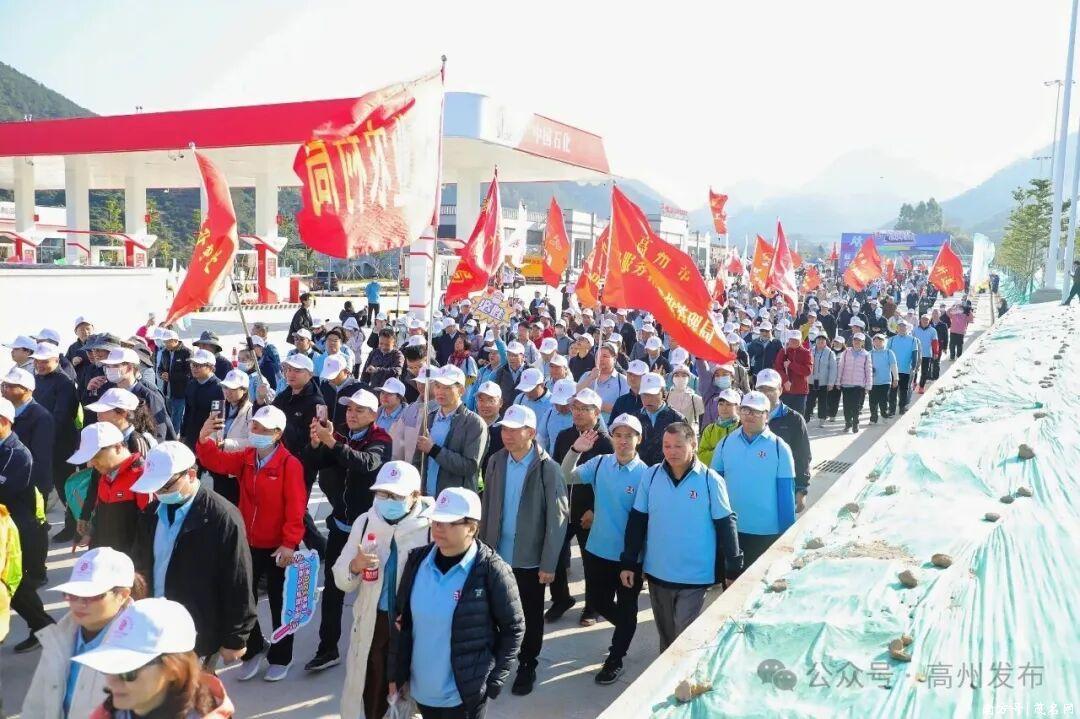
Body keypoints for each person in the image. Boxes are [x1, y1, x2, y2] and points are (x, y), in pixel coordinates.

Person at [389, 487, 524, 719]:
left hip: (464, 698)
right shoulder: (416, 561)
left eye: (449, 522)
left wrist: (495, 680)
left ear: (471, 528)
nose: (439, 527)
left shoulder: (491, 570)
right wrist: (395, 675)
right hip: (422, 693)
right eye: (436, 520)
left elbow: (514, 627)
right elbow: (401, 622)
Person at [196, 405, 306, 682]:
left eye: (263, 429)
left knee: (281, 604)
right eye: (254, 426)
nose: (256, 431)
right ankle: (254, 649)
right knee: (244, 601)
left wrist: (290, 543)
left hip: (279, 547)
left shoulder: (290, 464)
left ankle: (281, 656)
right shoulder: (246, 458)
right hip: (249, 542)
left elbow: (296, 508)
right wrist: (204, 439)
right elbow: (215, 461)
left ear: (277, 434)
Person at [130, 441, 256, 664]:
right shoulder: (150, 514)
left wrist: (236, 638)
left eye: (166, 486)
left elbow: (238, 580)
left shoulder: (222, 517)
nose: (159, 493)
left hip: (197, 633)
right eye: (155, 488)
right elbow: (139, 563)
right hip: (153, 626)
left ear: (190, 474)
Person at [621, 423, 742, 651]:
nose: (671, 451)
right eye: (667, 446)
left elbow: (726, 525)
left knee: (683, 637)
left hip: (694, 575)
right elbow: (637, 520)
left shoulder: (710, 480)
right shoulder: (651, 475)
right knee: (667, 639)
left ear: (693, 444)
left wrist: (733, 567)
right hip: (658, 572)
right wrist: (629, 561)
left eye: (678, 446)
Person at [478, 405, 568, 696]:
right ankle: (498, 662)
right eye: (505, 429)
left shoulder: (547, 468)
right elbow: (487, 505)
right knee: (495, 612)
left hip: (529, 560)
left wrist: (549, 563)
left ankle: (527, 663)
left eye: (514, 430)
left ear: (531, 432)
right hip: (496, 555)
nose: (507, 435)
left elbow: (558, 519)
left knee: (529, 615)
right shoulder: (496, 461)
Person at [333, 461, 434, 719]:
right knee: (372, 689)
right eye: (382, 493)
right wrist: (354, 566)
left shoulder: (432, 528)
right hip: (374, 622)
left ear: (415, 496)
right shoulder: (366, 522)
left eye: (395, 496)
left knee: (409, 692)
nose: (387, 501)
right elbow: (341, 579)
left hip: (412, 625)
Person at [305, 388, 392, 673]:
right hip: (340, 525)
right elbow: (317, 462)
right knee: (333, 588)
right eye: (349, 409)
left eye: (359, 410)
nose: (351, 414)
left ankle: (375, 651)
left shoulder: (381, 439)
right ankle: (327, 648)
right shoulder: (340, 433)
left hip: (369, 530)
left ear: (373, 415)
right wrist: (317, 444)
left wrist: (332, 442)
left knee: (371, 591)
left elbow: (366, 464)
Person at [560, 414, 649, 683]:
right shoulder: (599, 463)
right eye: (618, 435)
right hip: (597, 549)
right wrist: (575, 450)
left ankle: (615, 657)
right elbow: (565, 475)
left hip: (629, 556)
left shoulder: (647, 474)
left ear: (638, 439)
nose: (623, 441)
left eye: (629, 436)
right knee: (598, 602)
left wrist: (644, 560)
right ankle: (626, 627)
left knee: (627, 606)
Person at [22, 547, 144, 719]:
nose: (79, 603)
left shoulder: (139, 649)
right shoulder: (58, 638)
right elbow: (36, 705)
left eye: (92, 595)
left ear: (122, 595)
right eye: (73, 594)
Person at [71, 598, 234, 718]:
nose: (111, 681)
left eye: (128, 672)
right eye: (109, 666)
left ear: (173, 670)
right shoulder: (110, 712)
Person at [710, 392, 797, 567]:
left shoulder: (780, 448)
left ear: (767, 415)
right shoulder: (725, 443)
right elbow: (713, 486)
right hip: (731, 530)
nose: (750, 415)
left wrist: (788, 535)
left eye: (757, 412)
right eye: (746, 410)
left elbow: (786, 495)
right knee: (731, 579)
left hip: (767, 531)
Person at [547, 387, 610, 626]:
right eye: (575, 407)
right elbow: (556, 470)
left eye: (584, 409)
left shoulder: (605, 443)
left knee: (590, 561)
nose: (578, 413)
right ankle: (561, 599)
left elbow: (608, 482)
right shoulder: (564, 436)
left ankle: (592, 607)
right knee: (554, 555)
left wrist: (595, 509)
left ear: (596, 412)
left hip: (588, 512)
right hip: (563, 508)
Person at [0, 397, 55, 653]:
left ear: (4, 422)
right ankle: (44, 627)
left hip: (15, 529)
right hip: (7, 526)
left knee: (15, 584)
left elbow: (5, 492)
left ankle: (44, 627)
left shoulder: (18, 454)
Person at [270, 353, 328, 558]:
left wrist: (283, 423)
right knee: (294, 509)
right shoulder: (284, 395)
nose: (290, 374)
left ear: (309, 374)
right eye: (288, 369)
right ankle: (318, 547)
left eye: (297, 370)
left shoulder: (317, 403)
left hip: (303, 464)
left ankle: (312, 548)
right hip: (281, 460)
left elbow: (315, 440)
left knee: (296, 509)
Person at [70, 421, 150, 555]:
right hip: (104, 557)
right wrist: (90, 533)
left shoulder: (141, 476)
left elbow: (147, 529)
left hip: (129, 561)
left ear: (118, 447)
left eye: (96, 457)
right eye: (89, 459)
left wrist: (137, 563)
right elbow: (101, 514)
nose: (91, 464)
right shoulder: (105, 474)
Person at [31, 341, 81, 541]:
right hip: (40, 442)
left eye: (45, 361)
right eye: (37, 361)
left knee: (64, 486)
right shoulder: (36, 379)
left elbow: (61, 416)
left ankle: (74, 526)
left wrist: (41, 435)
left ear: (56, 360)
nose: (40, 365)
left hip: (61, 442)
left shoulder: (64, 382)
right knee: (41, 486)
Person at [415, 364, 489, 497]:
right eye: (437, 386)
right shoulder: (429, 418)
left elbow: (470, 466)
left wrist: (433, 450)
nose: (440, 391)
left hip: (454, 503)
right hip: (426, 499)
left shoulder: (474, 423)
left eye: (447, 387)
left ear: (461, 390)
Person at [754, 369, 812, 512]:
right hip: (754, 485)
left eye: (770, 389)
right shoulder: (748, 417)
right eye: (761, 389)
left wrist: (801, 489)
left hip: (782, 485)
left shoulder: (794, 419)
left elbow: (802, 456)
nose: (765, 393)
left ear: (780, 390)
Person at [3, 367, 55, 496]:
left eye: (10, 386)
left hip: (30, 489)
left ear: (26, 390)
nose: (4, 389)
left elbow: (41, 459)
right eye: (3, 385)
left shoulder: (41, 417)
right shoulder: (6, 412)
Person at [635, 372, 687, 467]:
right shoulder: (634, 419)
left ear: (664, 394)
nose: (648, 399)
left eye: (653, 394)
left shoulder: (677, 419)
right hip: (640, 471)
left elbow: (685, 449)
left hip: (668, 470)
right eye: (644, 395)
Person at [180, 349, 224, 450]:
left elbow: (218, 419)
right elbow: (187, 412)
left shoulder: (219, 388)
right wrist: (183, 434)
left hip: (207, 440)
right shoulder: (191, 384)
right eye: (193, 365)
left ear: (211, 367)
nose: (194, 368)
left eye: (199, 365)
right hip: (190, 437)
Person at [837, 333, 873, 433]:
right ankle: (848, 423)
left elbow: (868, 370)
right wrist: (838, 381)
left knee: (856, 406)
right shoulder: (846, 352)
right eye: (855, 340)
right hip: (846, 384)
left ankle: (855, 423)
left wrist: (868, 385)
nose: (856, 342)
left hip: (859, 385)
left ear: (863, 342)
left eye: (859, 340)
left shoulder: (866, 354)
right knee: (846, 406)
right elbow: (841, 367)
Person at [697, 388, 742, 466]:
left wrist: (713, 453)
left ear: (737, 407)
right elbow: (701, 456)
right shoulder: (709, 429)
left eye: (728, 404)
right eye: (721, 404)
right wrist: (724, 453)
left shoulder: (743, 428)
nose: (724, 408)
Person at [773, 329, 813, 415]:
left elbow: (807, 371)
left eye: (796, 339)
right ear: (788, 340)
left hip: (800, 391)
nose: (794, 341)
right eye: (792, 339)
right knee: (784, 416)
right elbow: (778, 368)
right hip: (785, 391)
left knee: (799, 416)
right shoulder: (783, 351)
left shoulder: (806, 353)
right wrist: (785, 380)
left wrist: (791, 365)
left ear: (801, 340)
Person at [887, 320, 920, 416]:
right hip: (893, 370)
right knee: (892, 391)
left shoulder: (913, 340)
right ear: (897, 328)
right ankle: (892, 410)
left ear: (907, 328)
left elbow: (915, 354)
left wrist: (914, 366)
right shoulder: (891, 340)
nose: (902, 328)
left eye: (903, 326)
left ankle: (902, 407)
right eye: (900, 326)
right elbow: (887, 354)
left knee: (904, 390)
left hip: (906, 369)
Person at [805, 333, 838, 426]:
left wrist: (831, 383)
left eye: (823, 339)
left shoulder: (830, 353)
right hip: (812, 381)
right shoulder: (810, 350)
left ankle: (822, 418)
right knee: (809, 400)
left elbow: (833, 369)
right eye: (818, 339)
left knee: (822, 401)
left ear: (826, 341)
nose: (820, 341)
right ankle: (806, 418)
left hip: (824, 382)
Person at [666, 363, 704, 435]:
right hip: (669, 435)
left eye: (684, 375)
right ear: (672, 378)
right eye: (677, 375)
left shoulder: (694, 398)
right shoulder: (666, 396)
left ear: (689, 379)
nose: (680, 378)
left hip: (687, 435)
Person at [868, 333, 898, 424]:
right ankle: (873, 418)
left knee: (883, 401)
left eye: (880, 341)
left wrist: (895, 379)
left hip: (885, 381)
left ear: (883, 342)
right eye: (875, 341)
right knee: (872, 402)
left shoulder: (889, 352)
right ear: (873, 342)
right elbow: (865, 367)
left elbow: (893, 366)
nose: (877, 343)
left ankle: (884, 416)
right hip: (873, 382)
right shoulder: (870, 353)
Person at [912, 314, 938, 392]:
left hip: (927, 354)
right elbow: (911, 341)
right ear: (920, 320)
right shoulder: (915, 329)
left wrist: (935, 352)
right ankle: (914, 383)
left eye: (927, 320)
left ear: (929, 321)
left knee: (925, 372)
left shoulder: (933, 330)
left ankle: (921, 386)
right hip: (916, 353)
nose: (925, 321)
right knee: (914, 370)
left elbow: (935, 342)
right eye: (924, 319)